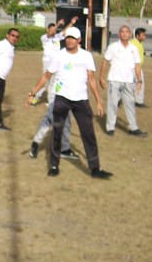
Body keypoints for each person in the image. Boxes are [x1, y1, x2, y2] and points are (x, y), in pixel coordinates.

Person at [30, 26, 111, 179]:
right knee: (57, 133)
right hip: (62, 98)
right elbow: (47, 75)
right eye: (67, 38)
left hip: (81, 100)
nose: (69, 40)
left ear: (79, 40)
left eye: (72, 38)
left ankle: (95, 168)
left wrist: (99, 101)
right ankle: (54, 165)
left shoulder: (86, 56)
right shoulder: (59, 56)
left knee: (88, 135)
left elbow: (91, 80)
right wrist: (33, 92)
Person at [101, 24, 144, 136]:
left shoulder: (133, 48)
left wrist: (139, 80)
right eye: (122, 32)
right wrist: (101, 77)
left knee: (130, 104)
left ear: (130, 34)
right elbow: (105, 62)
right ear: (119, 34)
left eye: (127, 32)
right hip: (114, 80)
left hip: (129, 81)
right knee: (113, 104)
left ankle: (133, 128)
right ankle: (110, 127)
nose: (124, 34)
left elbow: (137, 65)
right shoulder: (113, 47)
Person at [131, 27, 148, 106]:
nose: (145, 37)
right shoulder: (134, 44)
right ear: (137, 36)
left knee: (132, 84)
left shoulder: (138, 43)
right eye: (143, 35)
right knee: (140, 82)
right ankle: (139, 101)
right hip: (135, 67)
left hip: (137, 67)